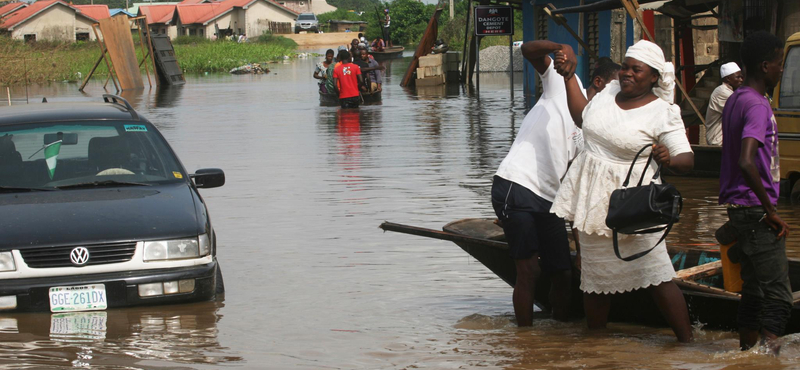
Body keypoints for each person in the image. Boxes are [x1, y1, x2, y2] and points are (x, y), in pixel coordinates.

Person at [551, 40, 694, 343]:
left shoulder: (662, 111)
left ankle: (687, 343)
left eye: (636, 69)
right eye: (625, 66)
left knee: (658, 274)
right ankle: (598, 347)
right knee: (595, 279)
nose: (627, 73)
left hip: (635, 205)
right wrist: (568, 78)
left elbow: (687, 158)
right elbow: (582, 118)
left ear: (653, 76)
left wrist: (669, 157)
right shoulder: (609, 91)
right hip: (593, 199)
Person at [491, 40, 605, 326]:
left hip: (551, 201)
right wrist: (561, 47)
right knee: (529, 271)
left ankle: (558, 338)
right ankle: (526, 343)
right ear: (600, 84)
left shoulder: (597, 132)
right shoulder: (565, 82)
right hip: (517, 184)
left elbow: (577, 194)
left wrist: (581, 251)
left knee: (563, 273)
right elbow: (528, 50)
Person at [719, 31, 790, 354]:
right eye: (779, 64)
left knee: (754, 291)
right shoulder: (757, 106)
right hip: (755, 210)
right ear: (765, 66)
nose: (781, 71)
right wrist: (771, 212)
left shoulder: (736, 98)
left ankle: (747, 355)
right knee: (779, 295)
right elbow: (747, 161)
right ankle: (769, 359)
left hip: (740, 210)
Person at [705, 62, 744, 145]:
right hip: (718, 140)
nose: (741, 80)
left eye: (741, 77)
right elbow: (741, 109)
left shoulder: (732, 91)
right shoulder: (722, 92)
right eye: (738, 77)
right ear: (728, 79)